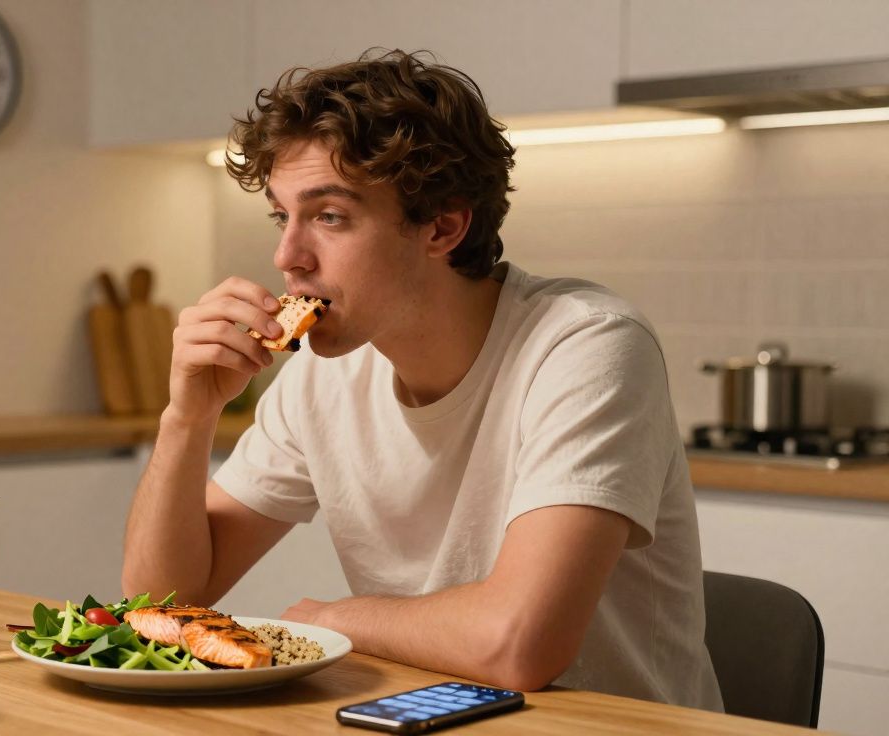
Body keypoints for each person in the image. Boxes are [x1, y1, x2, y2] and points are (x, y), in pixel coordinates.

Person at [120, 49, 723, 710]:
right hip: (431, 719)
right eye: (281, 216)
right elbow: (161, 608)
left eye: (328, 217)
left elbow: (520, 644)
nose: (286, 257)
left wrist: (330, 621)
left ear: (442, 226)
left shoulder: (585, 345)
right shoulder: (323, 378)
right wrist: (186, 418)